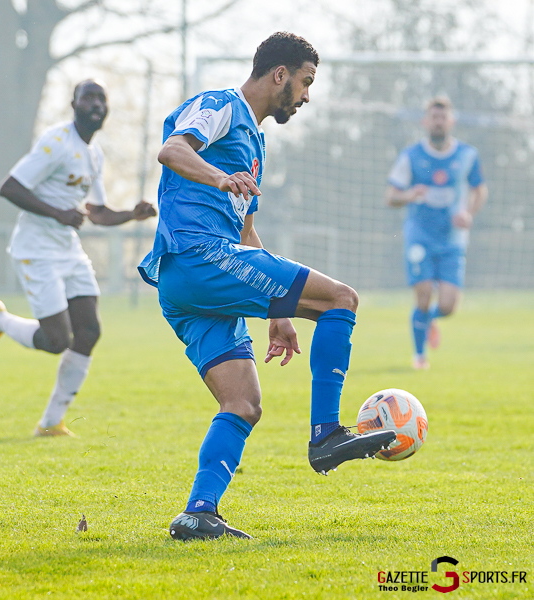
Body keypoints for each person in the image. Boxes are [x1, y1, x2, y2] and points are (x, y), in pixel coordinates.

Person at [136, 32, 397, 541]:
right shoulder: (220, 105)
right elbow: (171, 149)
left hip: (191, 284)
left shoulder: (254, 141)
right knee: (341, 300)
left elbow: (248, 233)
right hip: (199, 256)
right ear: (280, 74)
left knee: (242, 403)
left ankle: (199, 513)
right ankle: (325, 433)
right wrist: (218, 178)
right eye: (304, 83)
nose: (305, 97)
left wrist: (279, 313)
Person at [0, 80, 156, 437]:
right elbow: (9, 187)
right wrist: (58, 213)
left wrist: (131, 214)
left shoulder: (94, 153)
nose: (96, 104)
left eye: (102, 99)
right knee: (57, 340)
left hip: (68, 249)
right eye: (88, 97)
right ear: (73, 103)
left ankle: (50, 423)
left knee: (89, 331)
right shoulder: (56, 142)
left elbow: (98, 213)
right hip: (35, 249)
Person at [386, 97, 488, 370]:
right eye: (433, 117)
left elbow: (479, 190)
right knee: (422, 295)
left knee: (448, 305)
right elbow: (391, 196)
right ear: (425, 121)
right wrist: (410, 194)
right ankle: (420, 356)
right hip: (419, 237)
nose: (438, 122)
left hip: (453, 240)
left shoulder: (467, 155)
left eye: (443, 117)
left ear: (451, 121)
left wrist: (469, 213)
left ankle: (429, 320)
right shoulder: (411, 156)